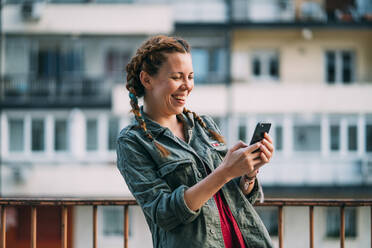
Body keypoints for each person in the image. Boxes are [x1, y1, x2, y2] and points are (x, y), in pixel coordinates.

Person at [116, 35, 274, 248]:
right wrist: (225, 171)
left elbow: (237, 200)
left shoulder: (204, 125)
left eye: (190, 76)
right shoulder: (133, 142)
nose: (187, 86)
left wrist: (248, 172)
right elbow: (165, 213)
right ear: (147, 80)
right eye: (177, 77)